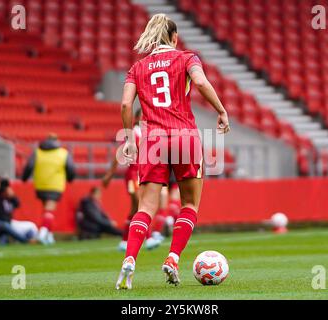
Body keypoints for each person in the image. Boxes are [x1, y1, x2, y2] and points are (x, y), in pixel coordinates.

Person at [115, 13, 230, 290]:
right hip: (185, 136)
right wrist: (221, 110)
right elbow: (201, 83)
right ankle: (173, 258)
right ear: (174, 37)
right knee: (189, 204)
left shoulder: (137, 68)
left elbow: (124, 105)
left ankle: (130, 259)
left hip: (153, 140)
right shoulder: (187, 58)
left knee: (145, 207)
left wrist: (130, 138)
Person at [103, 109, 162, 251]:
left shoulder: (151, 134)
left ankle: (124, 241)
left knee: (135, 208)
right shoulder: (133, 133)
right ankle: (149, 238)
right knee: (141, 205)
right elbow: (120, 154)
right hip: (133, 175)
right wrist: (109, 175)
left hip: (146, 174)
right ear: (135, 118)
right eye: (142, 117)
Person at [22, 133, 75, 245]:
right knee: (49, 210)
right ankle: (43, 232)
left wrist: (24, 178)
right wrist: (70, 178)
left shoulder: (37, 152)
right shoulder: (63, 153)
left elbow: (29, 166)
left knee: (46, 210)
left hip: (40, 184)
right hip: (55, 185)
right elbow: (70, 168)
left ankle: (49, 236)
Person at [0, 176, 35, 245]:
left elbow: (17, 204)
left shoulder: (8, 196)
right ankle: (25, 241)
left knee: (30, 226)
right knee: (5, 226)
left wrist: (13, 196)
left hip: (7, 223)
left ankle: (30, 237)